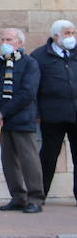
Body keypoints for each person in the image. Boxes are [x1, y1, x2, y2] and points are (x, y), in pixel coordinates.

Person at [0, 27, 43, 213]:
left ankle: (35, 199)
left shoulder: (29, 63)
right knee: (8, 161)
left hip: (22, 119)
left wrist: (3, 112)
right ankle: (18, 197)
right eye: (2, 39)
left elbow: (27, 93)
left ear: (19, 43)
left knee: (29, 160)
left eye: (9, 40)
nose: (4, 43)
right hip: (3, 122)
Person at [35, 19, 77, 204]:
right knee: (48, 156)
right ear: (56, 36)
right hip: (52, 116)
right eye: (67, 33)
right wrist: (36, 113)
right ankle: (38, 195)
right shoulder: (40, 56)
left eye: (73, 33)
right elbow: (32, 87)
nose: (71, 37)